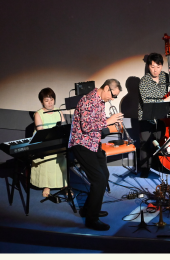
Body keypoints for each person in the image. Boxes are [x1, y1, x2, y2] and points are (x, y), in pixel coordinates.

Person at [68, 79, 124, 231]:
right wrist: (108, 121)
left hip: (93, 143)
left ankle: (88, 209)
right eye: (113, 95)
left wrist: (112, 125)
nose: (113, 99)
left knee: (104, 175)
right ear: (106, 88)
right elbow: (86, 127)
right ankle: (91, 220)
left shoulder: (100, 101)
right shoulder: (88, 100)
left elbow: (96, 124)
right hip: (82, 144)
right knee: (98, 180)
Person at [138, 52, 170, 178]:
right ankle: (145, 169)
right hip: (147, 117)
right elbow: (147, 101)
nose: (155, 70)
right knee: (145, 143)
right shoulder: (144, 81)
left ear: (162, 66)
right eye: (152, 67)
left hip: (161, 118)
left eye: (158, 67)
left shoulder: (165, 77)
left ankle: (159, 165)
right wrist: (165, 101)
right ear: (148, 66)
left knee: (160, 142)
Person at [31, 88, 67, 198]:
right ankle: (47, 185)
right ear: (42, 101)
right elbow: (41, 131)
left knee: (63, 159)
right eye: (46, 100)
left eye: (51, 99)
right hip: (45, 142)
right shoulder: (38, 114)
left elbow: (64, 127)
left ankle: (63, 184)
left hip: (58, 141)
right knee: (47, 162)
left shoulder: (58, 111)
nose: (50, 102)